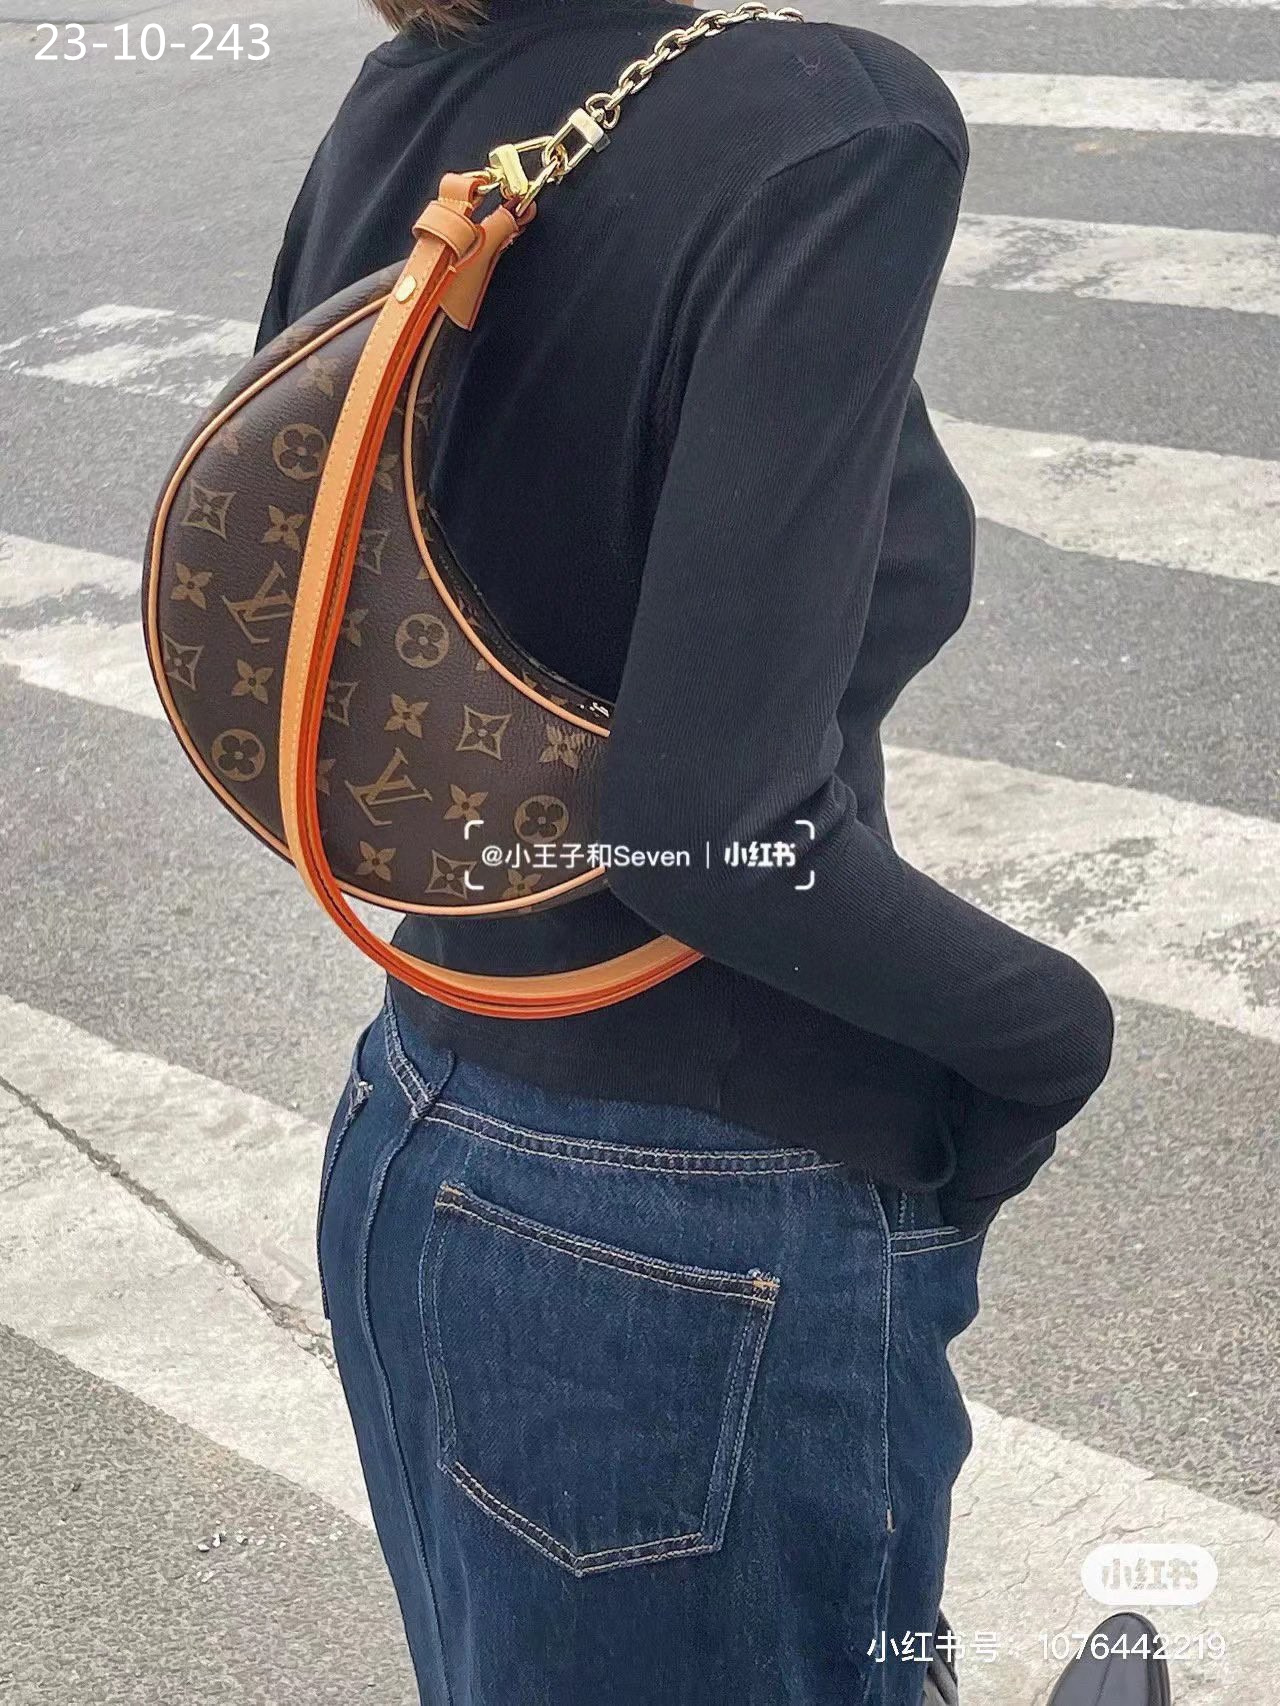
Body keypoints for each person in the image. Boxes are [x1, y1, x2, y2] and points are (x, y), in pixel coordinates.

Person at [253, 0, 1115, 1699]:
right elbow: (708, 834)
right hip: (695, 1226)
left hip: (418, 1121)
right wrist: (1047, 1034)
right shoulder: (832, 121)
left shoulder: (414, 98)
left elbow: (324, 625)